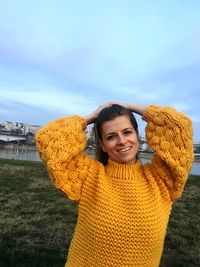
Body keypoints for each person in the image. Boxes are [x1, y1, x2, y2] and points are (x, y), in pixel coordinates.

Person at [36, 102, 194, 267]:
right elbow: (48, 138)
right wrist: (93, 115)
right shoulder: (90, 177)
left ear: (137, 136)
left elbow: (179, 126)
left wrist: (129, 107)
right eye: (111, 136)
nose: (121, 141)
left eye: (127, 132)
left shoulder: (161, 180)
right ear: (103, 145)